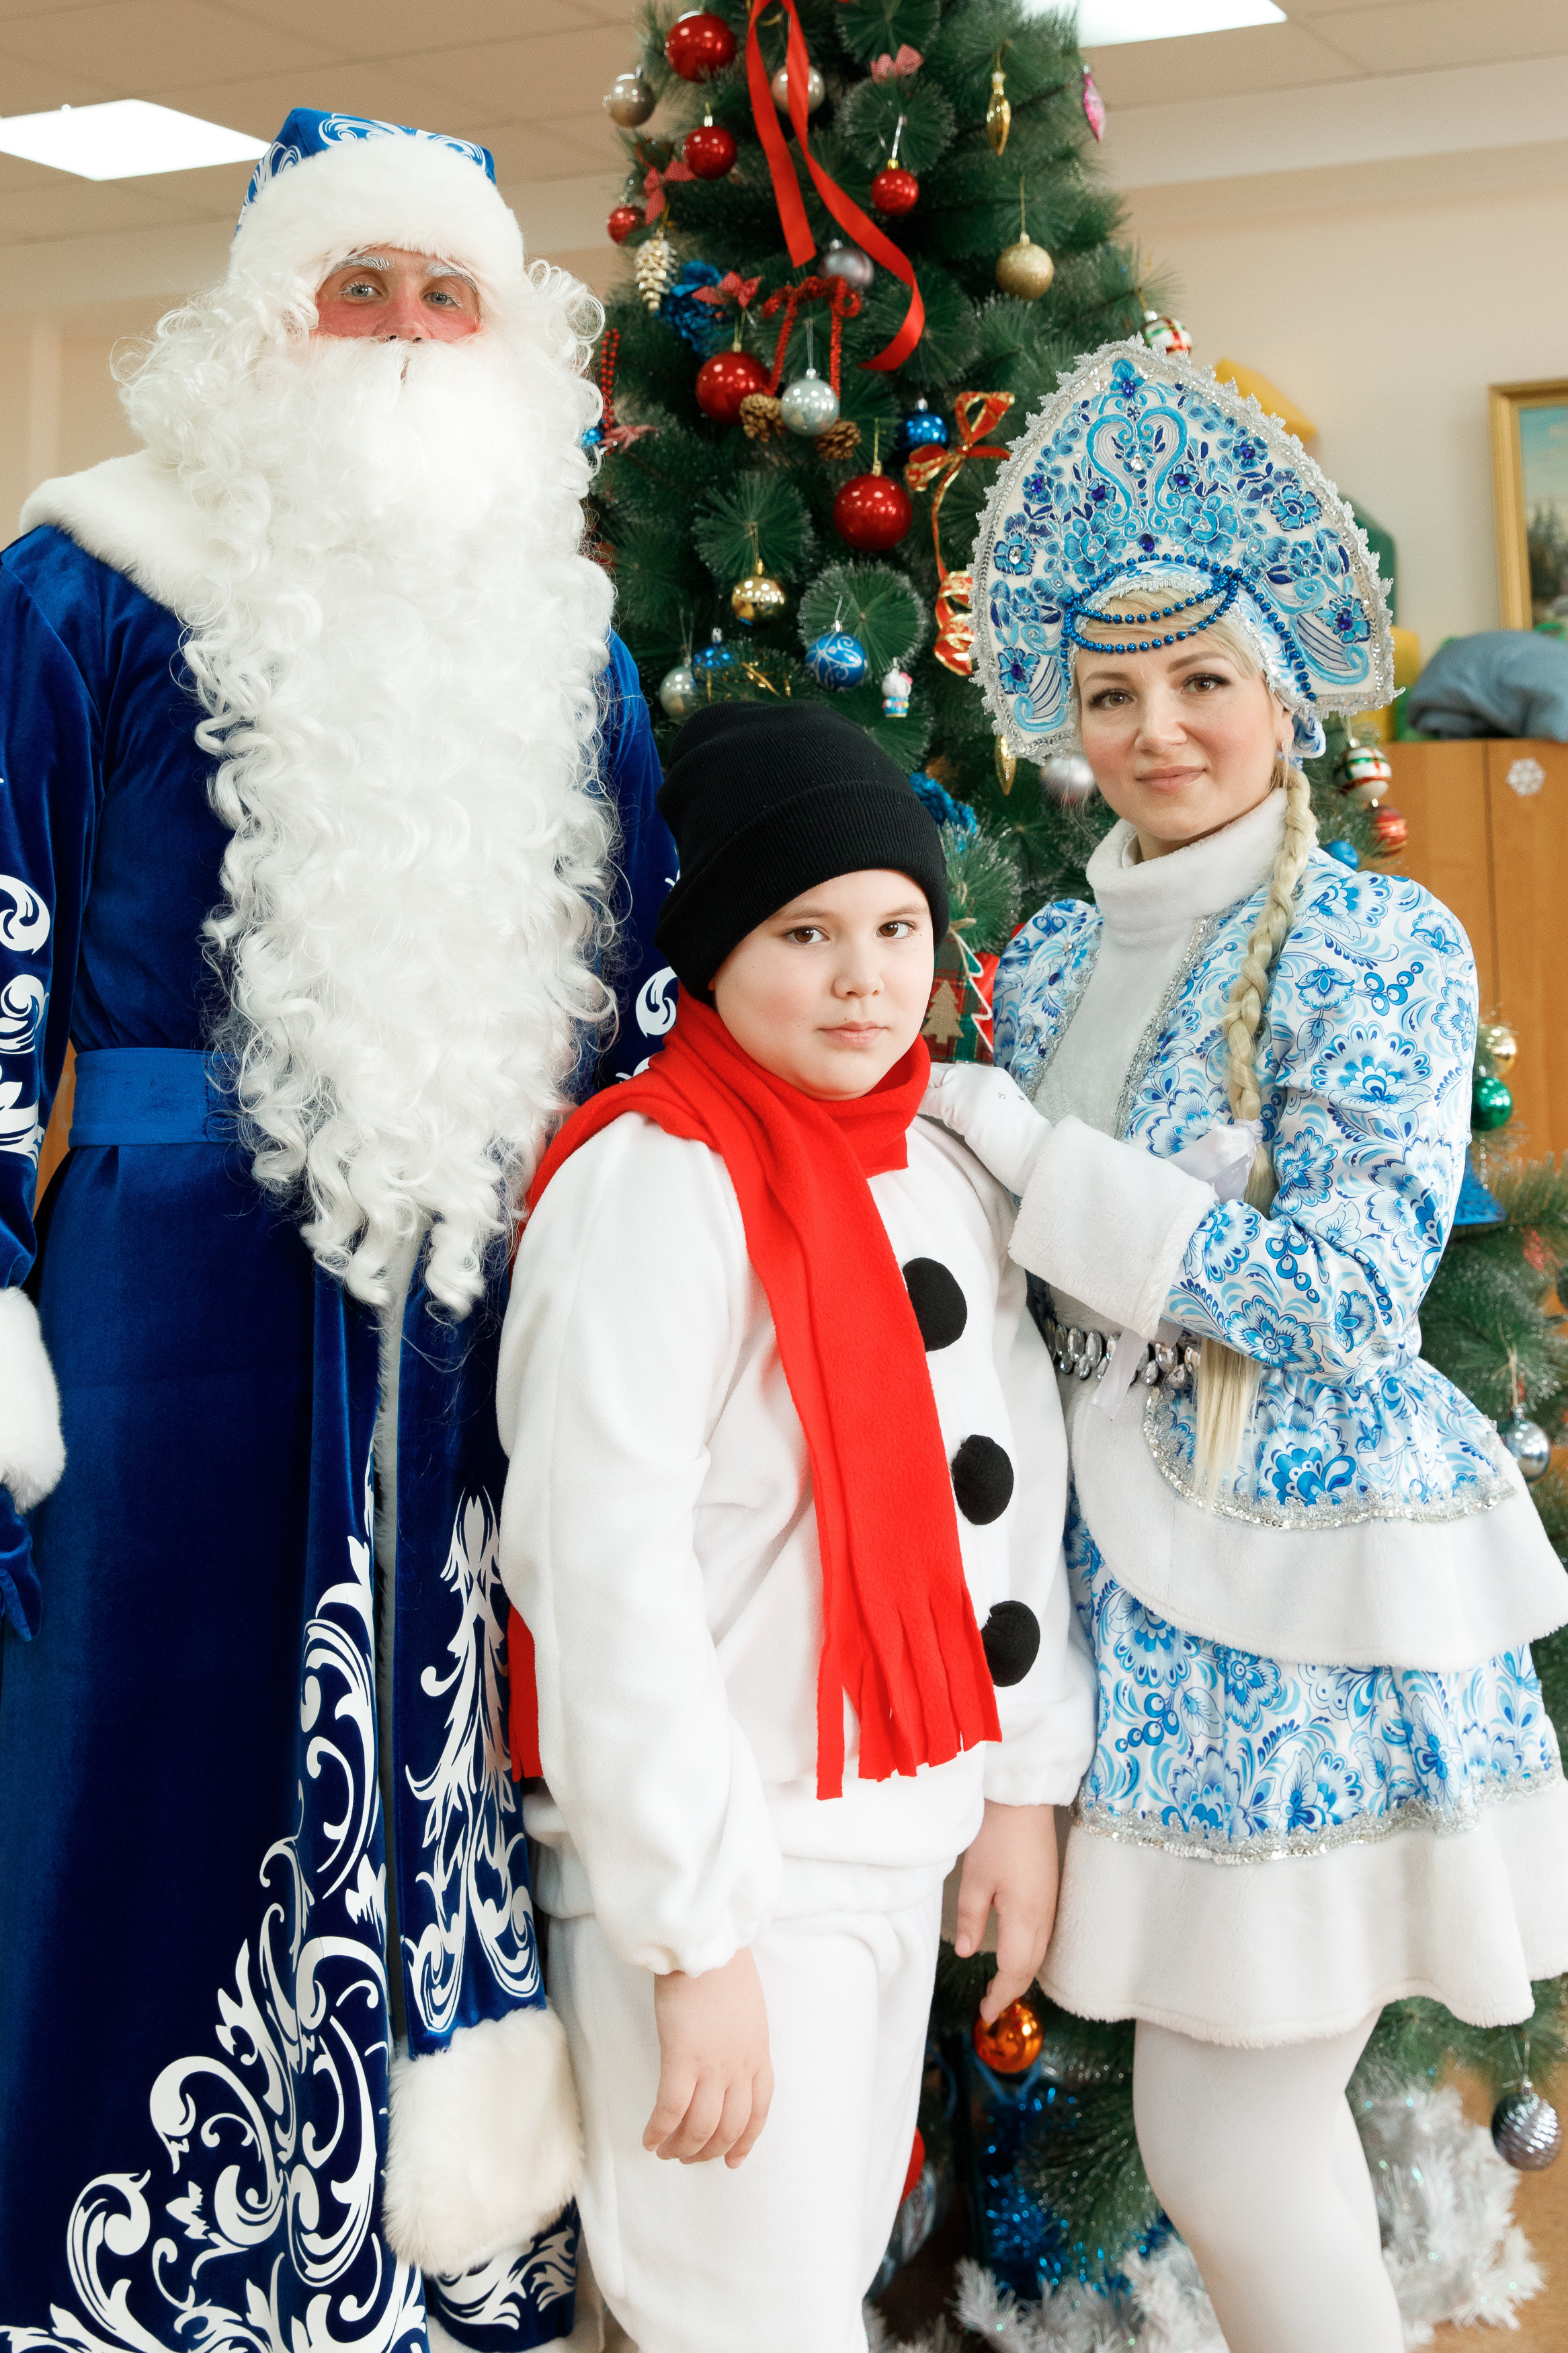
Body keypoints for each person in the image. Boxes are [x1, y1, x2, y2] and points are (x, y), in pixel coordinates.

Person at [0, 110, 673, 2352]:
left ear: (504, 335)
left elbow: (645, 999)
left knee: (441, 1754)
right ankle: (119, 2279)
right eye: (350, 286)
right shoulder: (85, 577)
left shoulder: (562, 638)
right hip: (155, 1300)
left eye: (439, 291)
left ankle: (412, 2270)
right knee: (125, 1763)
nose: (394, 333)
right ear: (259, 319)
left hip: (474, 1318)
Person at [919, 340, 1568, 2352]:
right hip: (1091, 1582)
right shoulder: (1034, 951)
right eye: (1111, 693)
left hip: (1285, 1604)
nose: (1156, 731)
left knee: (1228, 2131)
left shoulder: (1378, 941)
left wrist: (1038, 1161)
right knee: (1215, 2135)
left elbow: (1346, 1293)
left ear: (1283, 679)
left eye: (1200, 680)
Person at [495, 701, 1096, 2353]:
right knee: (740, 2318)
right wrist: (692, 1940)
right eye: (803, 930)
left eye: (896, 924)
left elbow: (1009, 1495)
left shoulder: (939, 1165)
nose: (862, 976)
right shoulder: (654, 1186)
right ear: (709, 951)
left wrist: (1021, 1788)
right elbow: (598, 1580)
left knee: (808, 2289)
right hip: (729, 1865)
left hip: (900, 1836)